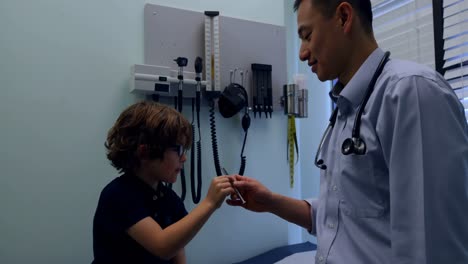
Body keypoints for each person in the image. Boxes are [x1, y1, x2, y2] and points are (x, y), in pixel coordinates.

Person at [227, 0, 468, 263]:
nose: (302, 53)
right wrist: (271, 202)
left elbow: (430, 245)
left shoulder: (411, 92)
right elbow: (341, 218)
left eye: (307, 36)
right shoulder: (345, 108)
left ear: (343, 17)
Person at [92, 101, 234, 264]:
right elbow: (163, 246)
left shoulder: (168, 198)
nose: (184, 158)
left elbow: (177, 245)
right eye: (177, 150)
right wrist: (210, 203)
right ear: (144, 151)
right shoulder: (118, 195)